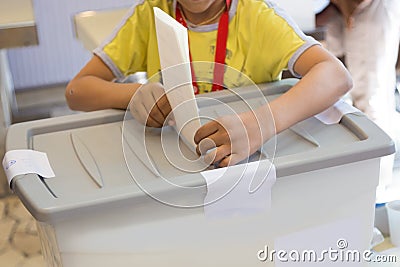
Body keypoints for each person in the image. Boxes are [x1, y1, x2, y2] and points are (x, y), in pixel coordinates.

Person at [66, 0, 352, 167]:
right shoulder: (151, 13)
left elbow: (335, 75)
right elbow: (77, 91)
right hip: (177, 165)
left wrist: (262, 123)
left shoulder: (256, 16)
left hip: (248, 167)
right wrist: (133, 95)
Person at [316, 0, 400, 202]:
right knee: (340, 97)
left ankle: (375, 194)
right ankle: (359, 191)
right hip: (340, 7)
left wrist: (350, 6)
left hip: (366, 6)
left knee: (370, 96)